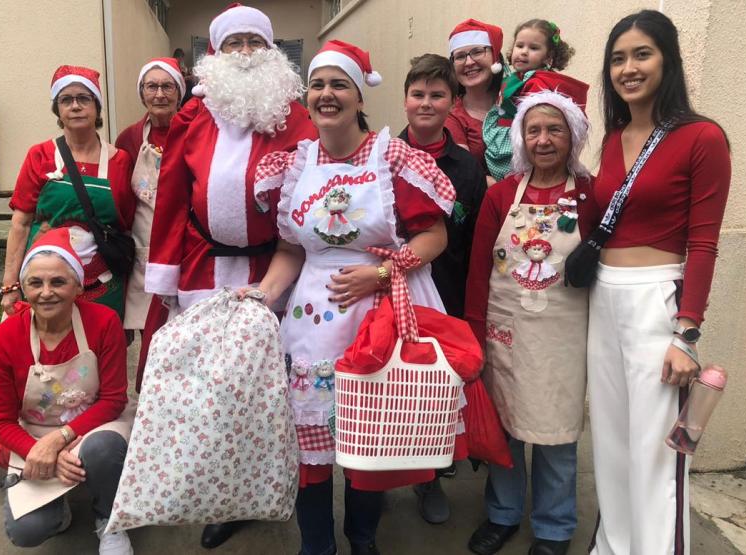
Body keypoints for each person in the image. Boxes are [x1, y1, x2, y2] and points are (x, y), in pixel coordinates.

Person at [252, 39, 456, 555]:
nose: (326, 95)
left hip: (378, 318)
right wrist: (262, 295)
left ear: (360, 96)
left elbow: (434, 237)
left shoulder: (392, 157)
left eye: (338, 84)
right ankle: (316, 545)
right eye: (317, 85)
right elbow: (290, 249)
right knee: (310, 448)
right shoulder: (296, 164)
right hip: (310, 320)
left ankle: (362, 538)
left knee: (369, 444)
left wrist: (382, 272)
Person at [143, 3, 317, 548]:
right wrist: (165, 278)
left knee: (274, 387)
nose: (244, 53)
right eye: (233, 43)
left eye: (254, 42)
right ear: (214, 54)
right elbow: (171, 200)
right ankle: (223, 494)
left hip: (275, 268)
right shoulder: (193, 118)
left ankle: (275, 482)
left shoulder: (296, 117)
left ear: (271, 51)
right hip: (203, 267)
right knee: (212, 390)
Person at [588, 10, 731, 554]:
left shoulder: (702, 137)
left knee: (655, 451)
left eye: (641, 54)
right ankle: (613, 546)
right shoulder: (613, 138)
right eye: (618, 58)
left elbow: (705, 242)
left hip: (658, 300)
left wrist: (685, 334)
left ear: (667, 60)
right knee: (612, 441)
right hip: (604, 297)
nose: (628, 68)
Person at [464, 79, 597, 555]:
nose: (543, 140)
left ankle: (555, 527)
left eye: (555, 130)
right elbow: (480, 270)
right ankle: (502, 514)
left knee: (557, 439)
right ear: (521, 137)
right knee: (504, 431)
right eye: (534, 130)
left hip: (565, 338)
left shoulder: (589, 196)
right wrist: (474, 337)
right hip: (506, 335)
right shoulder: (501, 195)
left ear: (573, 135)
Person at [0, 228, 134, 554]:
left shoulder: (104, 322)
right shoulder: (3, 339)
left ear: (79, 285)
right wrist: (41, 452)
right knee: (27, 531)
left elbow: (112, 400)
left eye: (58, 282)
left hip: (95, 425)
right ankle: (58, 511)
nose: (46, 293)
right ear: (23, 288)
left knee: (104, 450)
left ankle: (108, 518)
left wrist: (59, 439)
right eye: (35, 283)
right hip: (35, 435)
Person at [397, 52, 487, 524]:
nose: (426, 103)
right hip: (391, 288)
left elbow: (471, 241)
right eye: (418, 94)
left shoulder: (467, 169)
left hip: (446, 291)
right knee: (392, 385)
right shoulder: (380, 156)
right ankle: (380, 474)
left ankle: (429, 477)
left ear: (453, 101)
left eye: (437, 95)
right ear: (405, 99)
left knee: (434, 389)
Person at [1, 65, 135, 319]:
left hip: (104, 283)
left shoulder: (120, 161)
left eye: (84, 98)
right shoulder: (39, 155)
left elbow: (124, 226)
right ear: (58, 110)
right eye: (66, 100)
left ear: (96, 108)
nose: (75, 106)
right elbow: (20, 224)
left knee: (100, 348)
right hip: (44, 283)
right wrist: (10, 285)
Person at [114, 58, 186, 334]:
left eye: (167, 86)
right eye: (151, 86)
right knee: (150, 328)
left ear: (179, 92)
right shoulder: (129, 138)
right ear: (141, 92)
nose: (159, 94)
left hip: (185, 242)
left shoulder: (194, 131)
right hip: (144, 244)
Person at [483, 19, 576, 181]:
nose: (524, 52)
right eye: (520, 46)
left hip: (521, 140)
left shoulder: (539, 83)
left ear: (548, 57)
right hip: (505, 134)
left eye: (533, 48)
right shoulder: (516, 77)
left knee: (515, 175)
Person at [445, 19, 505, 175]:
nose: (469, 62)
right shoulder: (451, 116)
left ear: (495, 56)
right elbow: (463, 174)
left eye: (477, 51)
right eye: (460, 56)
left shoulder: (518, 99)